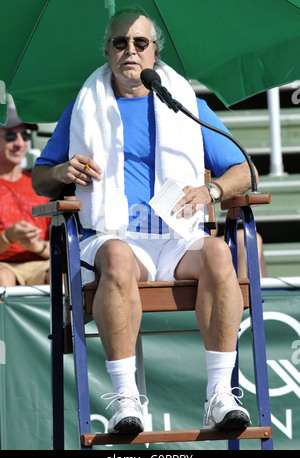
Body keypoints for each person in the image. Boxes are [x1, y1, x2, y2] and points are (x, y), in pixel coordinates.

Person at [32, 7, 256, 433]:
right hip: (113, 235)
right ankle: (126, 400)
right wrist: (62, 172)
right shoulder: (83, 106)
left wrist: (212, 191)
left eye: (140, 43)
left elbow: (244, 168)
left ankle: (220, 395)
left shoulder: (185, 103)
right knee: (115, 257)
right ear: (107, 51)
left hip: (175, 235)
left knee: (216, 253)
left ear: (155, 53)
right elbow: (42, 177)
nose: (130, 51)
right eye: (120, 43)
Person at [0, 107, 51, 286]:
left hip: (42, 264)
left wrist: (38, 246)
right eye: (10, 136)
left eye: (25, 136)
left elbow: (64, 248)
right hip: (4, 267)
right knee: (2, 277)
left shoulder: (39, 184)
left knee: (60, 277)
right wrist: (8, 237)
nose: (20, 143)